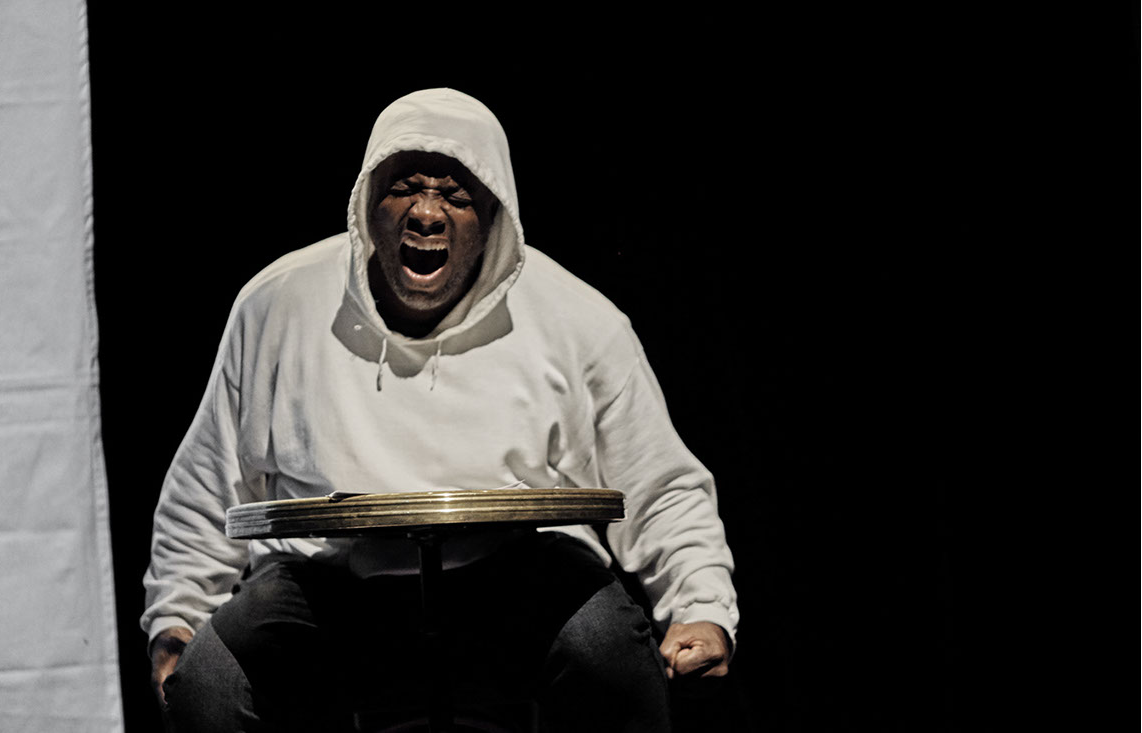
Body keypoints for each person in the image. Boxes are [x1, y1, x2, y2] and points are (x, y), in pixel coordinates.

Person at [143, 88, 738, 732]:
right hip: (327, 588)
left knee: (610, 659)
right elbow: (208, 485)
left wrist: (701, 606)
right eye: (404, 188)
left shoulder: (578, 318)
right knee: (209, 685)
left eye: (455, 196)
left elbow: (659, 485)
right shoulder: (278, 303)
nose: (426, 214)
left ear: (494, 214)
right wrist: (176, 620)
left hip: (518, 580)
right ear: (368, 201)